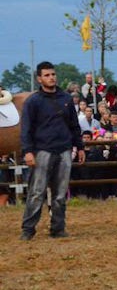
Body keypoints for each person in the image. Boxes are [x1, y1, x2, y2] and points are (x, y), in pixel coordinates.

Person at [19, 61, 85, 240]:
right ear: (39, 79)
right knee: (37, 192)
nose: (51, 78)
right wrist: (28, 151)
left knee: (60, 193)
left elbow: (74, 125)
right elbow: (26, 129)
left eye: (53, 74)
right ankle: (28, 229)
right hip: (42, 151)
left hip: (64, 150)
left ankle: (58, 228)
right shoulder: (33, 101)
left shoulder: (66, 99)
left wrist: (79, 146)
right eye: (47, 75)